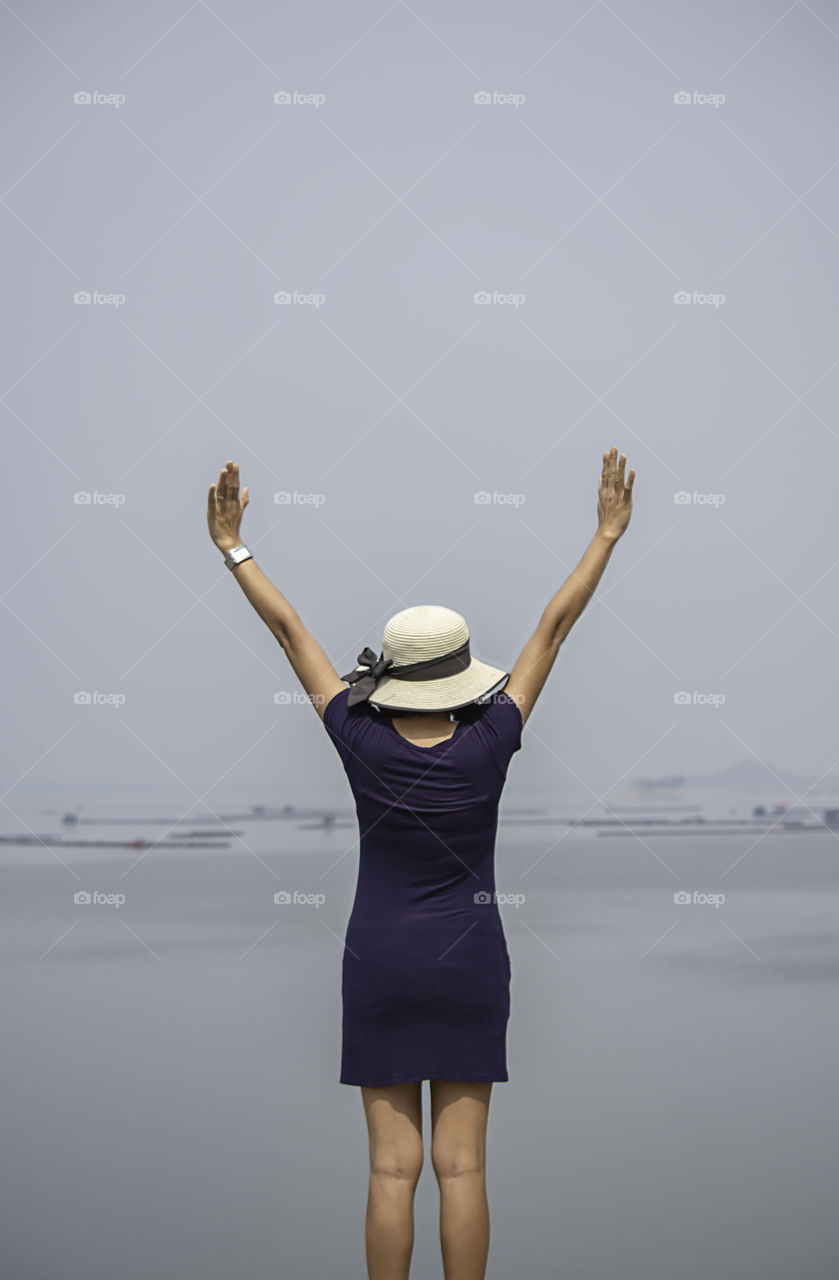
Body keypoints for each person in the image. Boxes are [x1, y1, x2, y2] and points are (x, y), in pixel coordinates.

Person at [207, 447, 635, 1280]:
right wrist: (607, 533)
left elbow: (290, 631)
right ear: (460, 672)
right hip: (469, 960)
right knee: (463, 1168)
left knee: (389, 1172)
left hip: (380, 960)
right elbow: (553, 625)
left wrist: (233, 545)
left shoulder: (356, 735)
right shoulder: (492, 738)